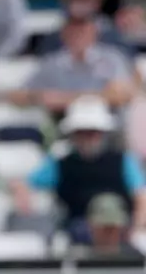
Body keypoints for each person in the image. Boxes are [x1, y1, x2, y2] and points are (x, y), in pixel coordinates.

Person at [10, 96, 146, 240]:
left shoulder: (123, 161)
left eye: (93, 132)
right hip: (79, 231)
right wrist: (21, 193)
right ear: (73, 134)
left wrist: (137, 228)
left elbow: (141, 197)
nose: (88, 138)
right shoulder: (60, 163)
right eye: (82, 132)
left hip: (121, 228)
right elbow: (26, 184)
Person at [12, 9, 135, 124]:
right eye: (73, 31)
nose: (78, 35)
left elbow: (122, 96)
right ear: (63, 34)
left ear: (94, 32)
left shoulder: (112, 59)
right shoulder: (52, 63)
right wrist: (40, 97)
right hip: (63, 123)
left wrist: (64, 99)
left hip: (107, 123)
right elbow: (19, 95)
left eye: (83, 30)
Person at [39, 0, 130, 56]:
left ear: (97, 2)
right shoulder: (53, 39)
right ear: (65, 1)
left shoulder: (113, 36)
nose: (80, 4)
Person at [73, 192, 145, 258]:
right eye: (104, 228)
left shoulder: (136, 259)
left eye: (113, 228)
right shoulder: (76, 259)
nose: (109, 233)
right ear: (91, 227)